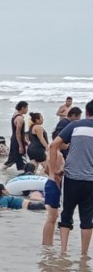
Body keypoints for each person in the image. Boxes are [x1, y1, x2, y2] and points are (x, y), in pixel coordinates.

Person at [49, 99, 93, 255]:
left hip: (72, 178)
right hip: (90, 181)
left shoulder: (75, 126)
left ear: (86, 112)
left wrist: (54, 170)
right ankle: (84, 254)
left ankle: (63, 251)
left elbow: (53, 146)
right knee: (87, 218)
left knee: (66, 214)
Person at [3, 101, 28, 171]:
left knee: (12, 159)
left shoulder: (15, 115)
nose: (27, 110)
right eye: (27, 108)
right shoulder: (19, 118)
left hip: (14, 140)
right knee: (21, 159)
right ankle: (25, 173)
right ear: (23, 108)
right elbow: (18, 132)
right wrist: (20, 145)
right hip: (17, 140)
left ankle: (1, 170)